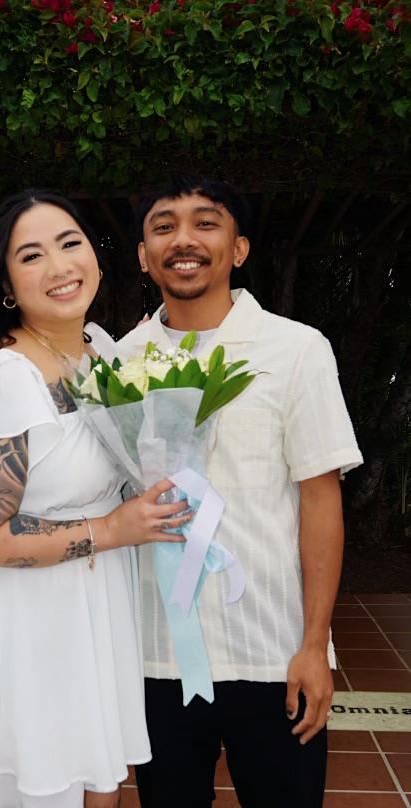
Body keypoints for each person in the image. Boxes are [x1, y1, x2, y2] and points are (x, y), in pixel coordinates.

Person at [0, 189, 191, 808]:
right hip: (18, 614)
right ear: (6, 284)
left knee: (97, 777)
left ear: (95, 255)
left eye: (69, 243)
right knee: (35, 783)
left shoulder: (100, 350)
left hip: (92, 598)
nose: (59, 267)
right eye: (31, 256)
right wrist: (113, 530)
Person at [117, 176, 363, 808]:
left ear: (239, 248)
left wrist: (314, 645)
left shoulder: (296, 350)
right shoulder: (119, 363)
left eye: (206, 223)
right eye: (163, 226)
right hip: (157, 656)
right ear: (143, 255)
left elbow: (320, 500)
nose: (183, 240)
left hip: (272, 652)